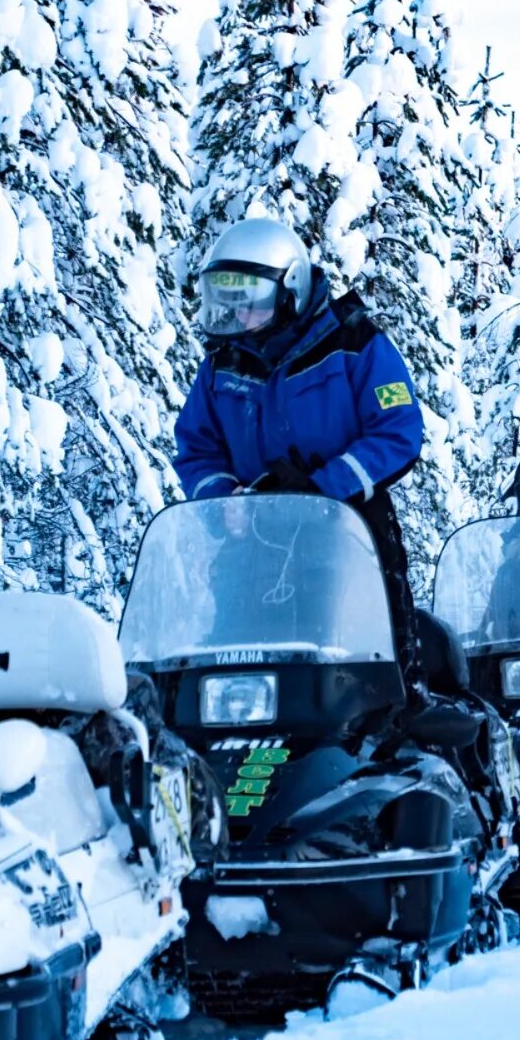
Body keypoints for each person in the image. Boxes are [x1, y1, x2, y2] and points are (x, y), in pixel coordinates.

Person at [172, 217, 424, 690]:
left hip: (348, 528)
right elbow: (196, 446)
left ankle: (397, 729)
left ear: (290, 290)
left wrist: (321, 488)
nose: (240, 317)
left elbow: (398, 431)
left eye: (252, 302)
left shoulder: (355, 345)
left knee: (374, 662)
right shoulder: (223, 364)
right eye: (229, 303)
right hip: (251, 537)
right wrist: (223, 499)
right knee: (231, 661)